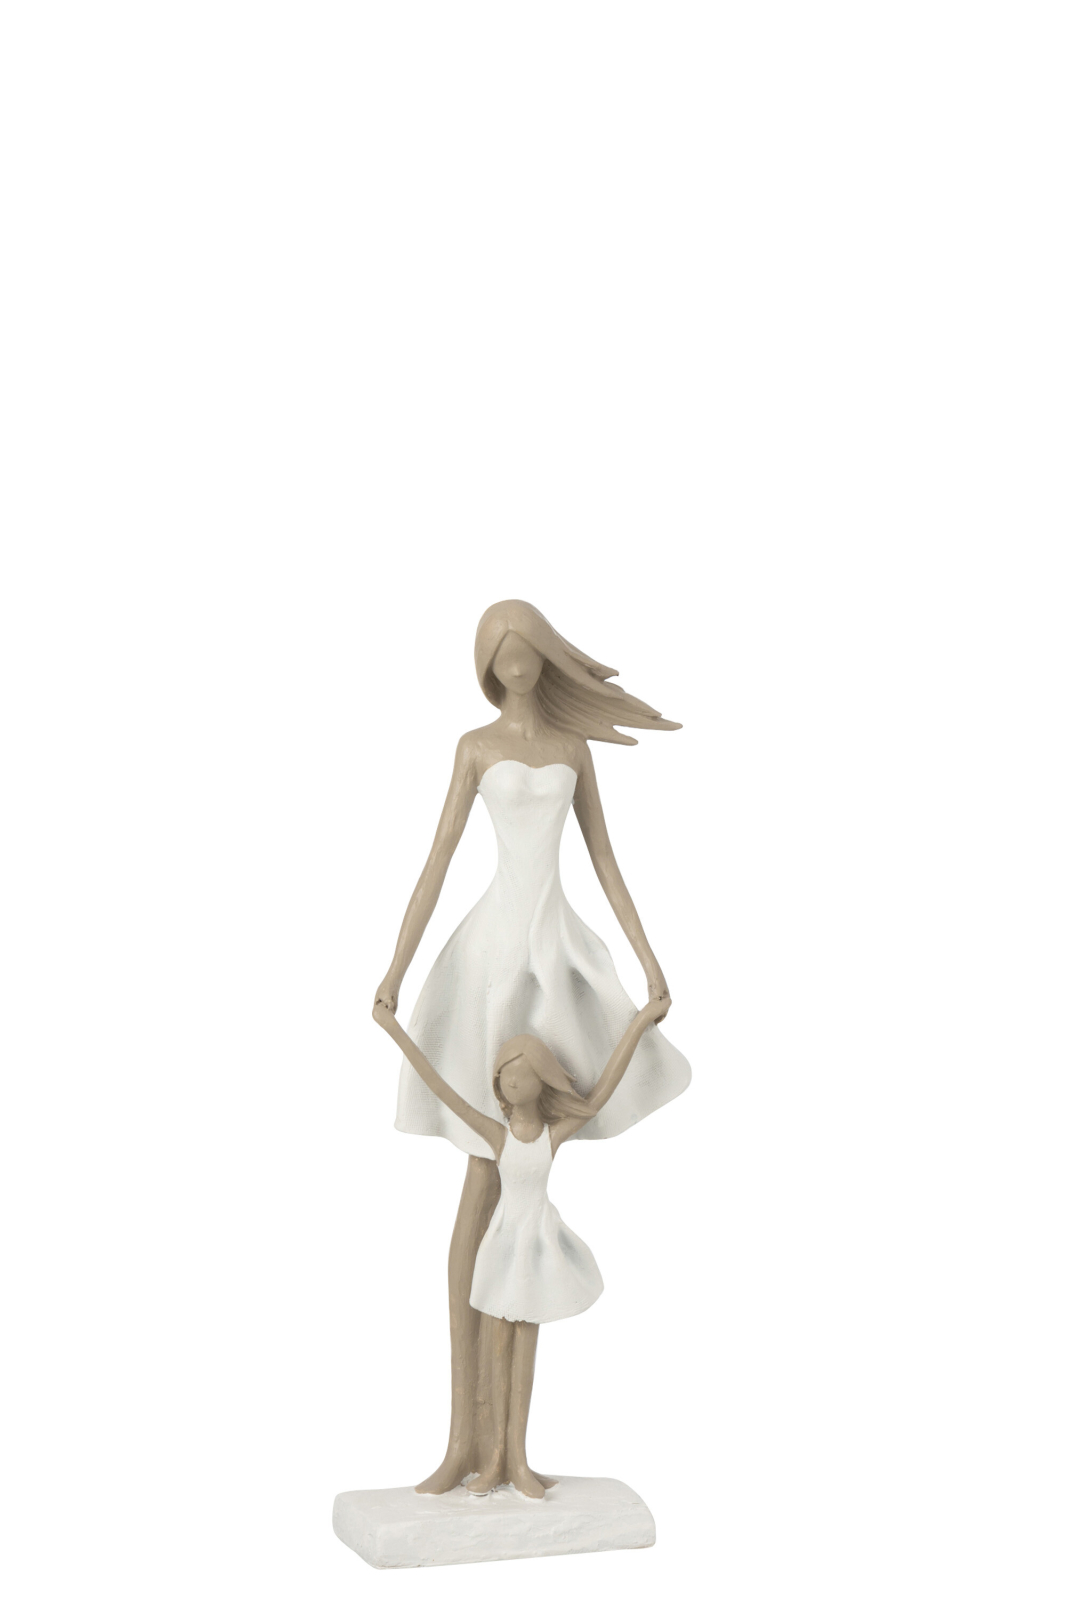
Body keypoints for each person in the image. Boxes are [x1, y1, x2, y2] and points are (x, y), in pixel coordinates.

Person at [373, 598, 690, 1492]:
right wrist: (395, 969)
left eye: (525, 646)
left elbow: (605, 860)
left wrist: (648, 958)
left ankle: (503, 1450)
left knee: (518, 1177)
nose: (514, 660)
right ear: (487, 660)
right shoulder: (474, 747)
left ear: (544, 655)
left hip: (553, 956)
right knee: (478, 1184)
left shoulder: (573, 749)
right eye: (500, 648)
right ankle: (463, 1441)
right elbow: (437, 859)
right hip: (488, 962)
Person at [373, 996, 670, 1497]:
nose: (512, 1080)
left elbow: (601, 1093)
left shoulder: (552, 1136)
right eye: (505, 1073)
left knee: (524, 1356)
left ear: (543, 1079)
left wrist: (640, 1022)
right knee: (496, 1348)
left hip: (535, 1251)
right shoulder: (496, 1135)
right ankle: (493, 1463)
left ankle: (519, 1458)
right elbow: (441, 1089)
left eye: (523, 1071)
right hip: (500, 1252)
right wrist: (393, 1030)